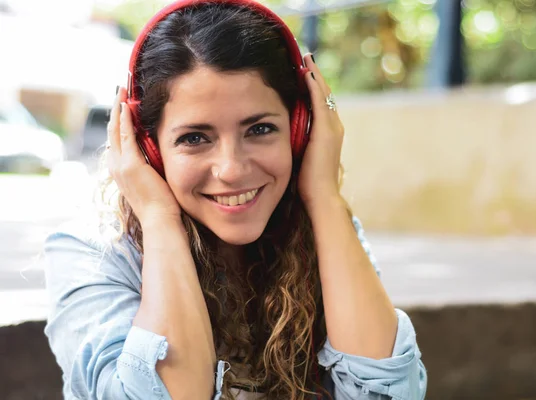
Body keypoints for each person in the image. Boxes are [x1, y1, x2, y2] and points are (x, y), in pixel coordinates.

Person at [42, 0, 427, 399]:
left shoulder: (323, 232)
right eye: (194, 138)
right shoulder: (90, 253)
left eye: (260, 128)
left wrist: (325, 197)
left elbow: (389, 394)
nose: (232, 169)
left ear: (300, 130)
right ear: (149, 149)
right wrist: (159, 219)